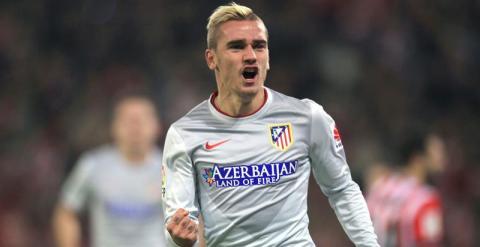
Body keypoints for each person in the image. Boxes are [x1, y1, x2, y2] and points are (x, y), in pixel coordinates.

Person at [162, 3, 379, 246]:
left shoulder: (307, 117)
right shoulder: (185, 133)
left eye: (259, 46)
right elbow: (178, 226)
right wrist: (181, 239)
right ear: (212, 59)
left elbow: (341, 189)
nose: (250, 55)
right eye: (236, 46)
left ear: (267, 58)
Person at [52, 94, 166, 247]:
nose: (135, 126)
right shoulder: (92, 165)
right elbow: (66, 211)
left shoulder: (172, 169)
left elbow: (195, 220)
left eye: (142, 119)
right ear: (114, 126)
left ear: (157, 126)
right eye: (128, 120)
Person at [367, 130, 446, 247]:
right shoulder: (426, 198)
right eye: (436, 151)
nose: (442, 156)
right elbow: (429, 243)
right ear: (418, 159)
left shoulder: (378, 187)